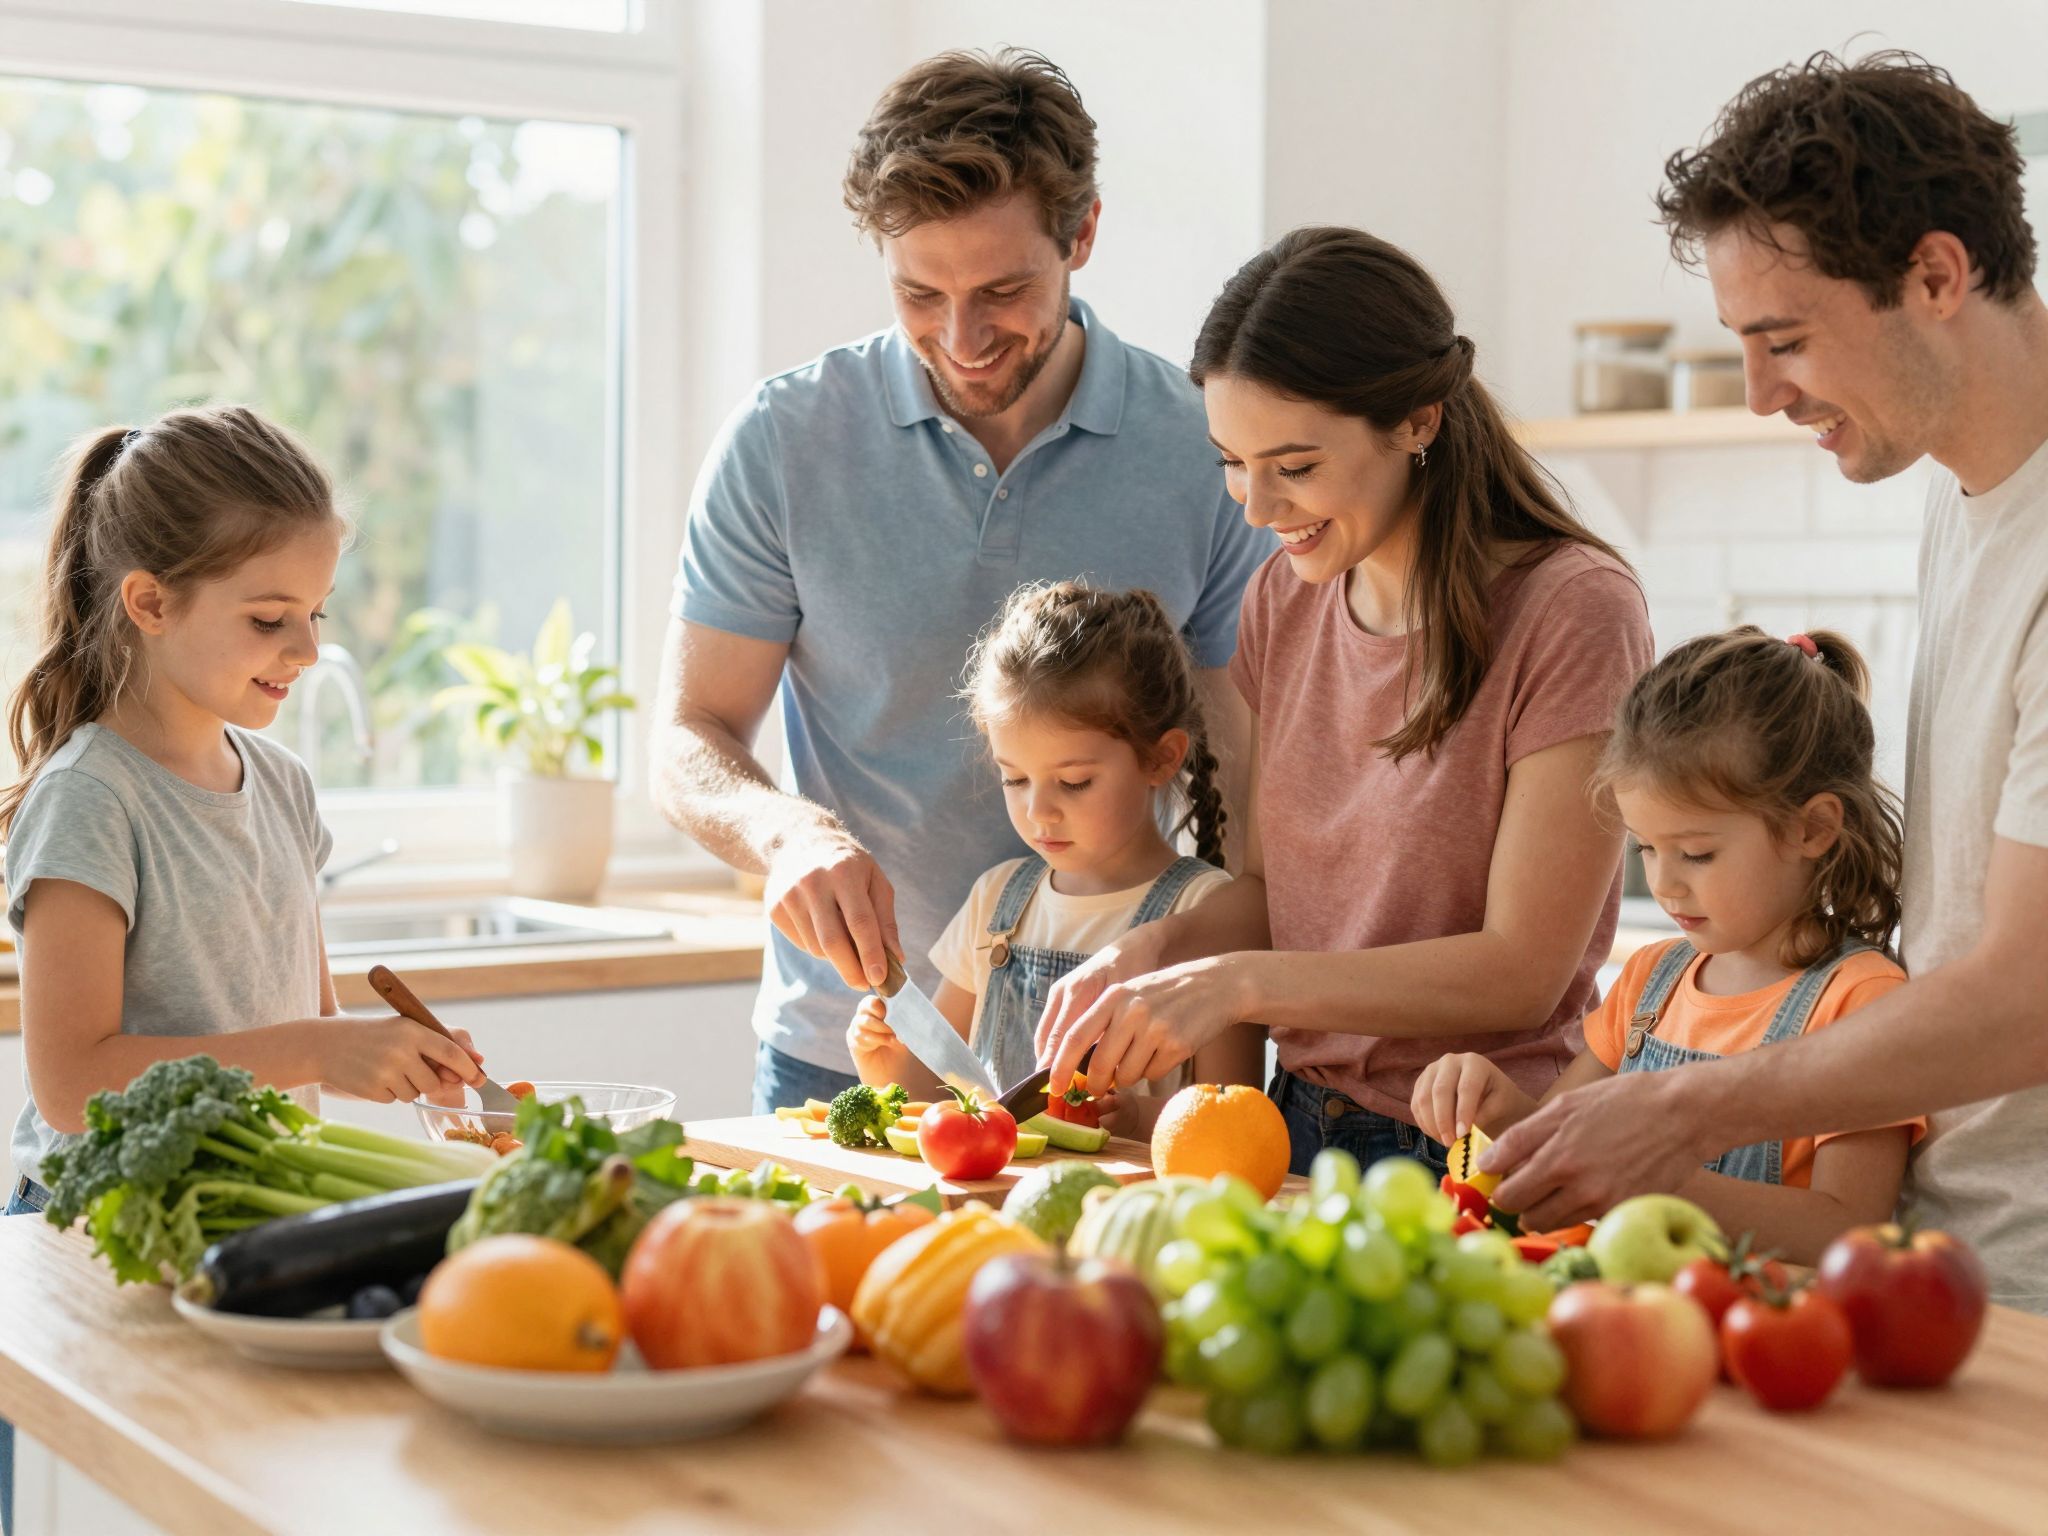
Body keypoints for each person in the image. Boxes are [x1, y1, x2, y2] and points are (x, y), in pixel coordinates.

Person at [1480, 54, 2048, 1313]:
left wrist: (1676, 1112)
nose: (1759, 395)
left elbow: (2025, 995)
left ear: (1936, 277)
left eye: (1783, 340)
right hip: (1948, 1249)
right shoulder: (1966, 498)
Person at [652, 49, 1269, 1115]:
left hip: (1116, 1066)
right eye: (917, 293)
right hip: (848, 1049)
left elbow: (1247, 775)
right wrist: (784, 835)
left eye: (1002, 291)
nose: (961, 338)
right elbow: (687, 735)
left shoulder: (1200, 446)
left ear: (1081, 236)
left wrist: (1227, 993)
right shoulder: (784, 440)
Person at [1036, 228, 1655, 1176]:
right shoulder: (1285, 599)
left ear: (1416, 421)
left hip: (1465, 1144)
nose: (1255, 506)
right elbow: (1278, 897)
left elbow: (1521, 974)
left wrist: (1236, 983)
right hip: (1291, 1123)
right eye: (1231, 462)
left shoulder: (1571, 610)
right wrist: (1153, 950)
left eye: (1294, 465)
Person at [0, 406, 484, 1533]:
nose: (310, 653)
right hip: (97, 1242)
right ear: (150, 603)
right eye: (272, 619)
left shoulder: (282, 785)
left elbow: (303, 1025)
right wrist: (319, 1047)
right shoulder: (92, 798)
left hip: (232, 1228)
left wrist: (387, 1064)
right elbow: (73, 1082)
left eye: (314, 615)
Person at [1414, 628, 1920, 1264]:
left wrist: (1655, 1178)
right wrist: (1499, 1109)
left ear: (1812, 829)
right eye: (1645, 849)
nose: (1664, 884)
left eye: (1698, 853)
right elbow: (1560, 1142)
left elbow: (1850, 1233)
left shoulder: (1862, 1001)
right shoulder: (1652, 979)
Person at [848, 582, 1261, 1134]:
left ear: (1161, 758)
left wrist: (1139, 1118)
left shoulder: (1207, 914)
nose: (1039, 812)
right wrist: (886, 1068)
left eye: (1074, 782)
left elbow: (1236, 1116)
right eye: (1014, 778)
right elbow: (951, 1095)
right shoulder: (996, 900)